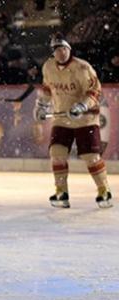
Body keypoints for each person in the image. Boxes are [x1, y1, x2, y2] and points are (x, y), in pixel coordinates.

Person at [35, 33, 112, 208]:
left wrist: (81, 107)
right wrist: (41, 106)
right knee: (57, 154)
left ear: (69, 49)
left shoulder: (82, 68)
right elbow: (48, 89)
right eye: (57, 50)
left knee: (91, 157)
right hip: (62, 118)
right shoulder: (48, 67)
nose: (61, 53)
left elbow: (94, 92)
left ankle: (104, 190)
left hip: (86, 119)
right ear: (53, 52)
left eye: (64, 49)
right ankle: (61, 192)